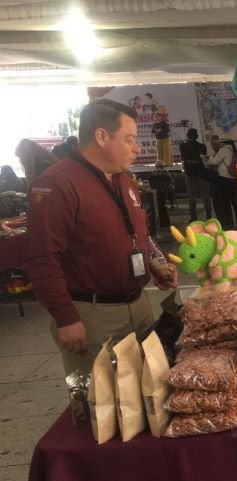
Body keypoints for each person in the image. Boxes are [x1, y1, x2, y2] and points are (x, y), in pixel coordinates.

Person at [23, 98, 178, 378]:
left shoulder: (123, 178)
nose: (137, 147)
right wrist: (65, 317)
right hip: (93, 315)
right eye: (129, 139)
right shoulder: (57, 185)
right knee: (104, 404)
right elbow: (42, 258)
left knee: (149, 394)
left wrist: (156, 261)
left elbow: (140, 232)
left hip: (138, 306)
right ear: (101, 136)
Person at [207, 134, 237, 230]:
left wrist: (209, 158)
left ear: (223, 143)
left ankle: (229, 225)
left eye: (220, 143)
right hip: (234, 180)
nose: (219, 145)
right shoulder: (233, 150)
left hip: (225, 180)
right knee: (236, 204)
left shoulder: (224, 150)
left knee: (226, 204)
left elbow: (214, 162)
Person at [179, 128, 213, 221]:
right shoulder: (202, 146)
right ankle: (209, 217)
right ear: (196, 136)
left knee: (191, 196)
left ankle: (194, 218)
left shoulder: (183, 146)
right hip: (202, 173)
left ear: (188, 135)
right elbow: (203, 158)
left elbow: (184, 156)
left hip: (189, 173)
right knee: (206, 195)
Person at [147, 161, 175, 233]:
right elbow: (172, 182)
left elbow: (149, 184)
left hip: (155, 193)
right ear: (163, 166)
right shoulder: (166, 172)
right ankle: (172, 204)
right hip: (165, 192)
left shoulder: (152, 173)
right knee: (162, 205)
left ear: (156, 166)